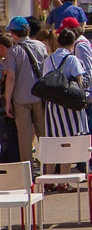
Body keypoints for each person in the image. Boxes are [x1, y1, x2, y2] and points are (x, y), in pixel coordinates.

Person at [41, 27, 91, 182]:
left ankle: (49, 178)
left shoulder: (49, 59)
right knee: (68, 142)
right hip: (69, 107)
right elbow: (80, 81)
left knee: (53, 142)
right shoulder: (72, 59)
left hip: (52, 105)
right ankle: (65, 179)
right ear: (72, 43)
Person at [3, 16, 49, 168]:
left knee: (24, 137)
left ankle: (27, 172)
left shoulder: (13, 52)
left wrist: (7, 100)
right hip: (40, 96)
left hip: (20, 99)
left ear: (13, 33)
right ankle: (47, 167)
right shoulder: (41, 46)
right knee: (44, 134)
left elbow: (11, 78)